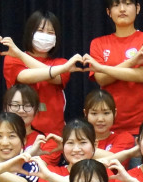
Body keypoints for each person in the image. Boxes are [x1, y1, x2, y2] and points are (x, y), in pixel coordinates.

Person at [88, 0, 143, 136]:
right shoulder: (98, 43)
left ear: (137, 8)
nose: (122, 9)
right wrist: (132, 62)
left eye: (127, 4)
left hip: (142, 123)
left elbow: (141, 75)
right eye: (116, 5)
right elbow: (101, 79)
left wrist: (103, 68)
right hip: (107, 125)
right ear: (108, 12)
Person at [5, 11, 85, 139]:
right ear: (30, 32)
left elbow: (56, 78)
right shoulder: (13, 58)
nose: (45, 36)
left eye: (51, 33)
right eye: (40, 31)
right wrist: (19, 55)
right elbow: (25, 77)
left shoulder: (62, 63)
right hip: (19, 134)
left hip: (53, 136)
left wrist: (20, 54)